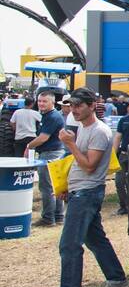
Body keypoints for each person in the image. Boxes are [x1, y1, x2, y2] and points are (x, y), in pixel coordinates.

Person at [39, 88, 128, 287]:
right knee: (95, 240)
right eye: (71, 105)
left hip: (87, 193)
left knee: (69, 244)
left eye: (78, 105)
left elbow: (89, 166)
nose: (73, 110)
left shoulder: (99, 131)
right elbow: (77, 163)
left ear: (91, 105)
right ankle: (116, 279)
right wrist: (66, 186)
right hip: (80, 191)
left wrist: (70, 144)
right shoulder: (81, 128)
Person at [23, 91, 66, 226]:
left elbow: (43, 138)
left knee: (47, 187)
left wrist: (29, 146)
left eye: (44, 101)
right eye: (39, 101)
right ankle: (58, 216)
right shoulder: (48, 115)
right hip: (53, 153)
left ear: (52, 102)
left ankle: (48, 218)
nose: (41, 103)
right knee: (55, 187)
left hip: (50, 154)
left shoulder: (52, 116)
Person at [113, 97, 129, 215]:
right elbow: (118, 137)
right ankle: (124, 206)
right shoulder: (123, 120)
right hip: (123, 155)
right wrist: (113, 155)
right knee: (119, 181)